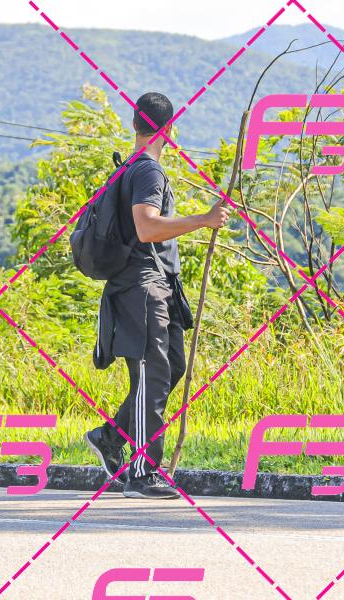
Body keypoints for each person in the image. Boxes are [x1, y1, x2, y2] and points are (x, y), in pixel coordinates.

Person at [84, 92, 230, 499]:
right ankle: (143, 472)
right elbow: (147, 228)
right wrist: (203, 220)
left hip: (155, 286)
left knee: (172, 366)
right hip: (142, 287)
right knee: (153, 373)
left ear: (135, 124)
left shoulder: (130, 167)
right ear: (168, 130)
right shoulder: (147, 171)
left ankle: (111, 437)